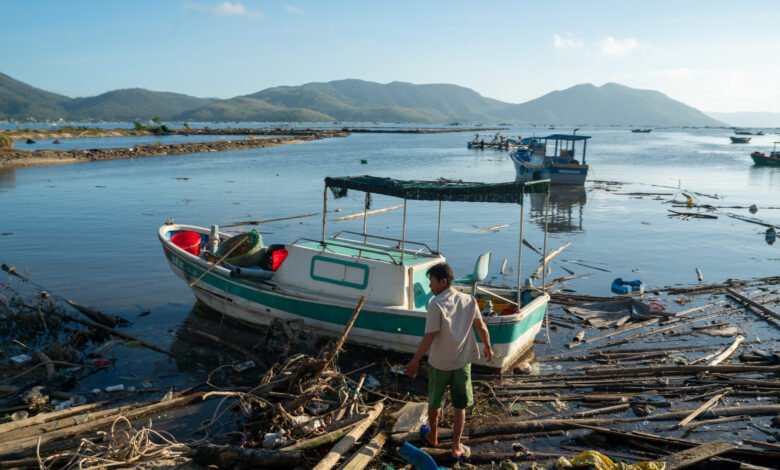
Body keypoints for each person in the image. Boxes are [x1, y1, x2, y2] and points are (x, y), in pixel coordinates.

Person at [405, 262, 493, 460]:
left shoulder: (436, 304)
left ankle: (433, 436)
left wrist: (415, 360)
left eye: (432, 282)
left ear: (443, 281)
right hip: (462, 363)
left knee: (434, 403)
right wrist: (487, 347)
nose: (430, 286)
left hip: (439, 363)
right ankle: (455, 445)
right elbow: (481, 327)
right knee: (459, 406)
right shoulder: (469, 299)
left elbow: (429, 336)